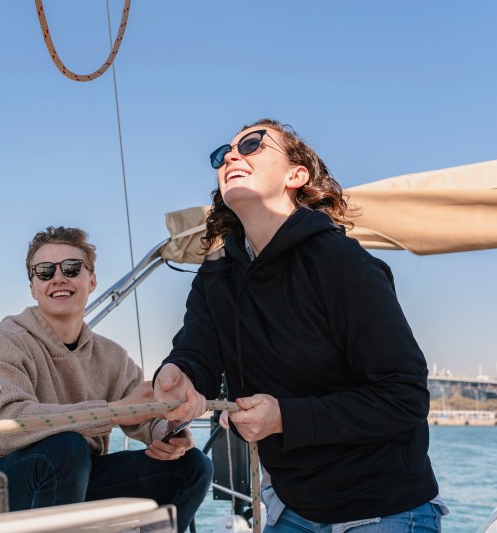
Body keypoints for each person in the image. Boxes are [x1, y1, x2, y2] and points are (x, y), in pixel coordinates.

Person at [153, 119, 446, 531]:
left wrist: (284, 418)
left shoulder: (341, 263)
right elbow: (197, 352)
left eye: (252, 144)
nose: (232, 155)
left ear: (296, 175)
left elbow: (404, 395)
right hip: (294, 508)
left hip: (383, 506)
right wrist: (178, 376)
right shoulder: (217, 275)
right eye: (223, 154)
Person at [0, 226, 212, 532]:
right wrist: (113, 412)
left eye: (72, 268)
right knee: (65, 447)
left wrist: (169, 431)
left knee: (192, 466)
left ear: (92, 280)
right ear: (33, 287)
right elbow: (9, 424)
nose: (58, 277)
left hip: (74, 480)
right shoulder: (2, 340)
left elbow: (142, 413)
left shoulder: (111, 356)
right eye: (44, 271)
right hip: (1, 489)